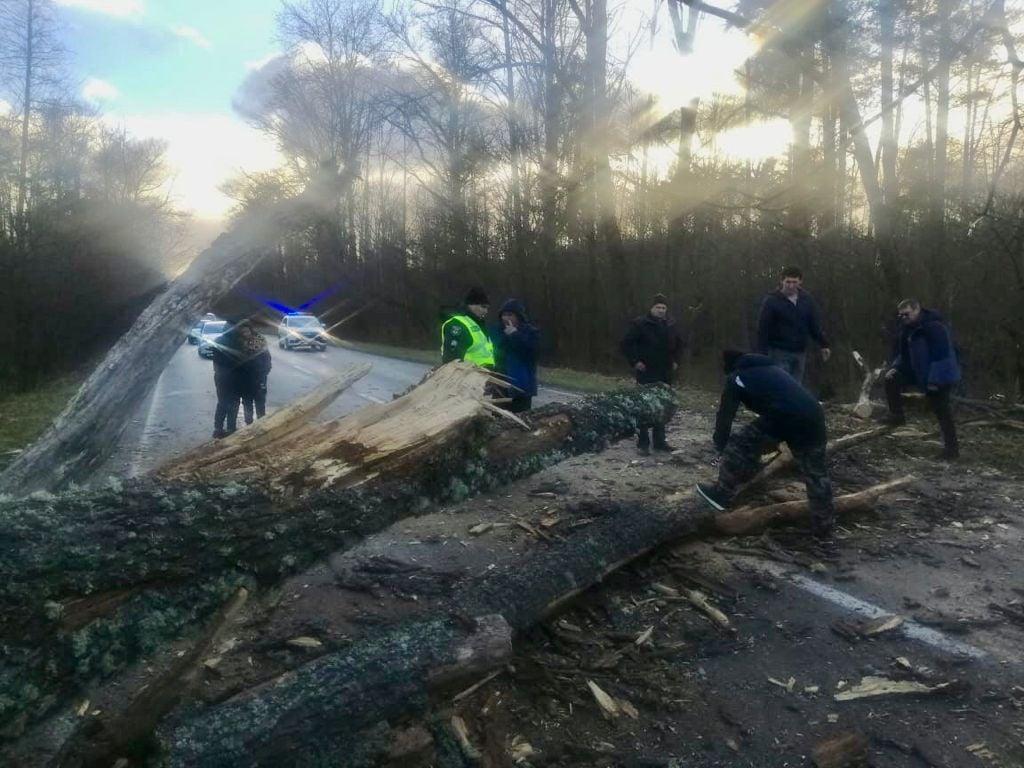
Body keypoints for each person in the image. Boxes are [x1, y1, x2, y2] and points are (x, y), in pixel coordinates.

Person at [696, 350, 836, 548]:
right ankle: (824, 531)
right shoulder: (772, 370)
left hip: (783, 417)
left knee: (738, 444)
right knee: (816, 474)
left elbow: (726, 414)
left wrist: (720, 444)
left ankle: (721, 493)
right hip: (813, 417)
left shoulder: (737, 377)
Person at [882, 299, 960, 460]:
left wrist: (934, 381)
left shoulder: (934, 327)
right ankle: (896, 415)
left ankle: (951, 450)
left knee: (942, 411)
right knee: (891, 380)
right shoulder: (906, 330)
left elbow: (942, 355)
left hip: (940, 374)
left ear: (917, 309)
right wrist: (895, 368)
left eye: (907, 314)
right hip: (919, 371)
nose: (904, 318)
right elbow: (903, 355)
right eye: (901, 315)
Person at [621, 293, 684, 454]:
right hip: (647, 371)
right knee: (644, 407)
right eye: (658, 307)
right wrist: (635, 361)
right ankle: (643, 443)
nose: (661, 310)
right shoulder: (640, 324)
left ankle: (660, 441)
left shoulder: (671, 324)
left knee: (661, 406)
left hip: (665, 372)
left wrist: (676, 360)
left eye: (664, 308)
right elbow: (626, 343)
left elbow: (680, 344)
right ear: (652, 308)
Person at [756, 266, 831, 382]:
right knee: (782, 385)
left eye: (794, 282)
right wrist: (761, 354)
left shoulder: (806, 299)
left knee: (796, 388)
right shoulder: (772, 301)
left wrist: (823, 344)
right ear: (782, 281)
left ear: (800, 281)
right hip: (779, 352)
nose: (791, 286)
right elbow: (763, 328)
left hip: (800, 352)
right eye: (788, 282)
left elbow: (813, 324)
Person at [491, 298, 539, 413]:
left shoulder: (530, 332)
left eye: (510, 315)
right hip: (500, 385)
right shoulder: (496, 331)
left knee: (520, 420)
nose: (507, 318)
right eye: (504, 315)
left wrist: (515, 335)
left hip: (521, 386)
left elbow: (532, 353)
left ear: (518, 316)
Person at [441, 287, 495, 368]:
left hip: (481, 374)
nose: (486, 311)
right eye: (483, 307)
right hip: (467, 375)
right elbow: (452, 358)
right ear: (471, 305)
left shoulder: (478, 324)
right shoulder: (457, 324)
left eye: (487, 308)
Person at [210, 320, 245, 439]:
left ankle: (218, 428)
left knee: (222, 402)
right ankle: (231, 427)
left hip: (220, 376)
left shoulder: (218, 340)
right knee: (234, 402)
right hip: (235, 377)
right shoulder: (238, 342)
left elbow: (215, 359)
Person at [237, 322, 273, 424]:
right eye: (243, 332)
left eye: (247, 331)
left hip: (259, 377)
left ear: (251, 330)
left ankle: (261, 424)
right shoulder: (239, 342)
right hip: (245, 379)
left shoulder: (260, 340)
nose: (245, 334)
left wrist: (264, 373)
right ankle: (249, 425)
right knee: (247, 403)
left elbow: (267, 359)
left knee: (260, 402)